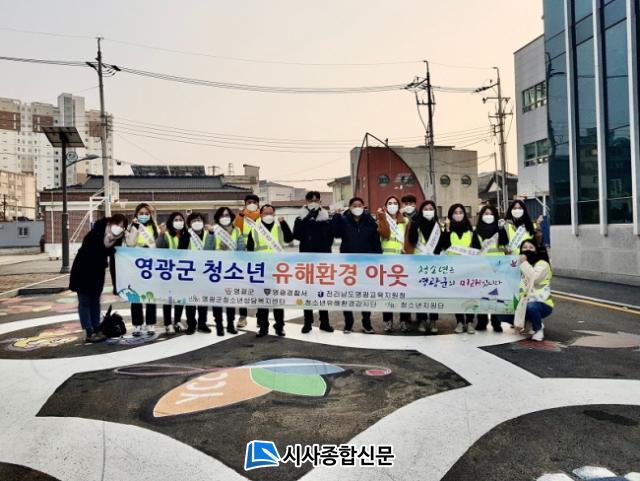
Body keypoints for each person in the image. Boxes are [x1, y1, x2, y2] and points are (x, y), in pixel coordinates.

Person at [69, 214, 127, 342]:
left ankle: (97, 328)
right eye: (117, 224)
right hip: (83, 271)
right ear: (110, 223)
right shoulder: (95, 233)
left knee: (95, 301)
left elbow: (114, 264)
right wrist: (105, 251)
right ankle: (89, 331)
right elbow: (90, 252)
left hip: (98, 273)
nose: (119, 227)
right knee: (85, 301)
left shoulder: (116, 241)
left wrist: (116, 285)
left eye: (122, 226)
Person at [331, 197, 382, 334]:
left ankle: (367, 323)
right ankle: (348, 323)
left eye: (359, 205)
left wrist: (378, 259)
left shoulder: (370, 221)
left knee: (366, 294)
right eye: (354, 205)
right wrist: (336, 217)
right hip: (348, 264)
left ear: (364, 206)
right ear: (350, 207)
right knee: (347, 294)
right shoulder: (343, 220)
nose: (357, 207)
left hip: (366, 263)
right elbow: (335, 233)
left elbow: (376, 241)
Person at [247, 204, 294, 337]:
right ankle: (263, 327)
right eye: (265, 213)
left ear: (274, 214)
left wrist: (283, 223)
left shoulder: (279, 227)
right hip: (261, 269)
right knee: (262, 300)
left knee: (277, 300)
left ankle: (279, 326)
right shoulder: (254, 229)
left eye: (270, 213)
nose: (268, 215)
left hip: (277, 269)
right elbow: (249, 250)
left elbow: (289, 239)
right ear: (260, 214)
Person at [293, 191, 335, 334]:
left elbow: (330, 236)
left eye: (316, 200)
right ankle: (307, 322)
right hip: (306, 259)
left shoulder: (326, 217)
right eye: (311, 200)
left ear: (320, 202)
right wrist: (308, 218)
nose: (313, 202)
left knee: (323, 290)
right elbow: (297, 235)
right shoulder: (300, 217)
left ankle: (325, 322)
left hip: (322, 259)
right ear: (306, 201)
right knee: (307, 291)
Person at [205, 207, 245, 336]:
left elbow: (241, 250)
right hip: (217, 270)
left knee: (230, 299)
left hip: (231, 270)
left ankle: (230, 324)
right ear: (218, 217)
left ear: (231, 216)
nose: (225, 217)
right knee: (217, 299)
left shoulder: (237, 230)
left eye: (227, 215)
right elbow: (207, 250)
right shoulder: (214, 230)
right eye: (222, 215)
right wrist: (211, 234)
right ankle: (219, 325)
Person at [438, 203, 477, 334]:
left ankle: (470, 322)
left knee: (470, 296)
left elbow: (476, 248)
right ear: (450, 215)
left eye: (461, 212)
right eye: (455, 212)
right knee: (457, 297)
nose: (458, 215)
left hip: (468, 269)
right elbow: (444, 245)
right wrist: (447, 229)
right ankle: (460, 321)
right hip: (453, 269)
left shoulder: (470, 231)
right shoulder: (448, 230)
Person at [405, 200, 442, 334]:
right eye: (425, 209)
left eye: (431, 209)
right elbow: (412, 241)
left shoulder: (438, 226)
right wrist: (414, 227)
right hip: (418, 263)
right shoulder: (416, 223)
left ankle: (433, 320)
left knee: (433, 293)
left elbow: (440, 245)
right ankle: (421, 319)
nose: (428, 211)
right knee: (420, 292)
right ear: (421, 211)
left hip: (433, 264)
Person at [377, 195, 411, 333]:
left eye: (395, 203)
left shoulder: (405, 221)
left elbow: (409, 240)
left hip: (402, 261)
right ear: (385, 206)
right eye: (389, 203)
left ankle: (404, 320)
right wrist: (382, 218)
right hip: (386, 260)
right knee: (387, 293)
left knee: (403, 293)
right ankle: (388, 321)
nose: (392, 205)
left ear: (399, 205)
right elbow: (384, 235)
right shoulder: (381, 219)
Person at [472, 205, 509, 332]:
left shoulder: (499, 230)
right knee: (482, 295)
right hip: (482, 267)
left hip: (498, 266)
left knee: (496, 295)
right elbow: (474, 249)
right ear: (481, 216)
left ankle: (496, 322)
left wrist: (501, 229)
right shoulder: (476, 231)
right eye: (486, 213)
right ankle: (482, 321)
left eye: (491, 213)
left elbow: (504, 243)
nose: (488, 216)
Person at [124, 203, 159, 336]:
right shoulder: (131, 227)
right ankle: (137, 325)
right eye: (141, 213)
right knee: (136, 295)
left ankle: (150, 324)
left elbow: (158, 245)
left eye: (146, 213)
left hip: (150, 265)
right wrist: (135, 227)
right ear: (136, 215)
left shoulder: (154, 227)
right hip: (135, 265)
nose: (144, 215)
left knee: (150, 295)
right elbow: (130, 243)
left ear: (150, 215)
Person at [178, 212, 212, 335]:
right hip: (190, 272)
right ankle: (191, 324)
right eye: (193, 221)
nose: (197, 223)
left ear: (203, 222)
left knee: (203, 300)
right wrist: (185, 236)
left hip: (205, 272)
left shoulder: (209, 234)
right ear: (189, 224)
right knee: (190, 300)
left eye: (198, 220)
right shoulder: (186, 235)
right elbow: (180, 252)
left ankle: (202, 324)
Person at [156, 211, 188, 335]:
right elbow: (159, 248)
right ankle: (168, 323)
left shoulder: (186, 235)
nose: (179, 222)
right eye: (176, 220)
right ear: (171, 222)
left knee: (180, 298)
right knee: (168, 298)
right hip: (168, 271)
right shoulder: (166, 235)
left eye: (181, 220)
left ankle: (177, 321)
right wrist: (161, 234)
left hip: (182, 271)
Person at [518, 238, 554, 341]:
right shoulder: (519, 264)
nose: (527, 250)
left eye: (531, 247)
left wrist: (524, 263)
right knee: (503, 312)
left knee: (531, 306)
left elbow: (534, 278)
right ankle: (529, 321)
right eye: (524, 247)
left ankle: (538, 329)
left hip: (542, 303)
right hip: (525, 301)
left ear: (536, 250)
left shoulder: (543, 264)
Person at [234, 194, 260, 328]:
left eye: (254, 202)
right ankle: (242, 316)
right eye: (249, 202)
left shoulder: (262, 217)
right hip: (243, 257)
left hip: (259, 257)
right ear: (245, 204)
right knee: (242, 288)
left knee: (260, 287)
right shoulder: (240, 217)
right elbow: (235, 232)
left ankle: (261, 317)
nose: (252, 204)